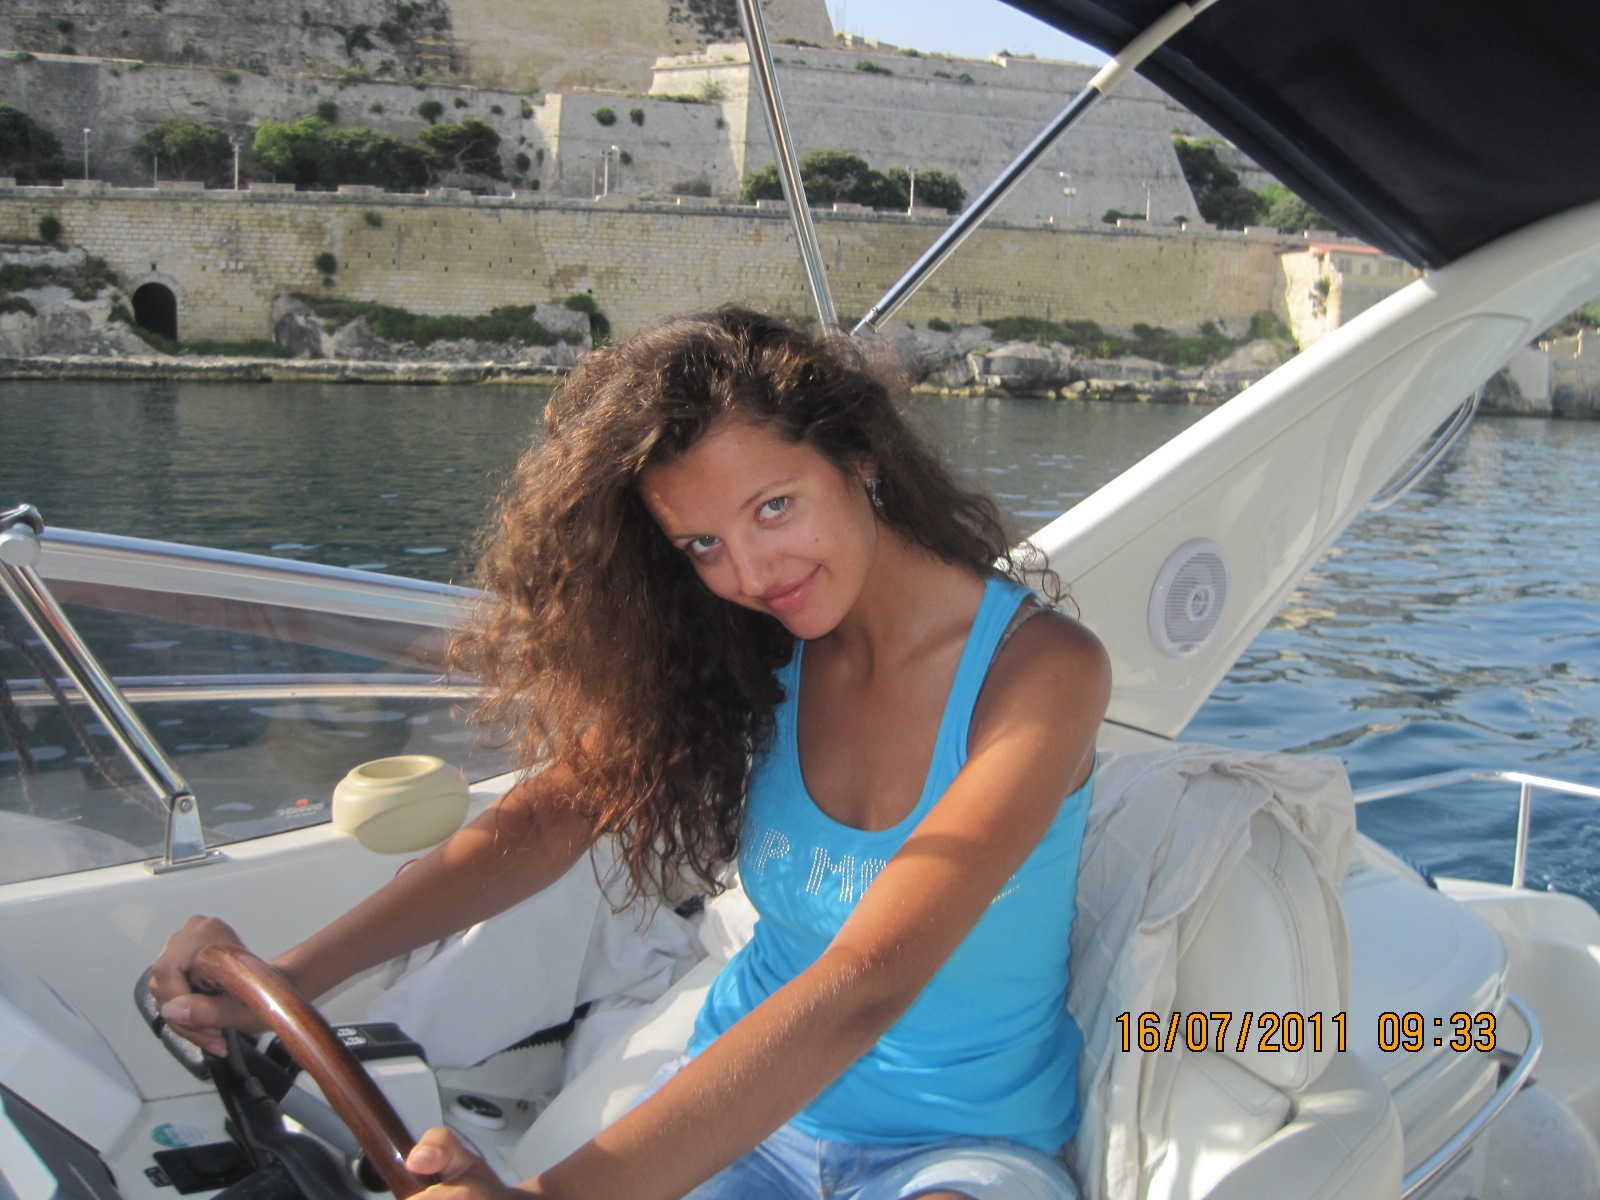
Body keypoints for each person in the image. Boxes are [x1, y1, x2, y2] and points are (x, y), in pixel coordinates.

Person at [151, 306, 1110, 1200]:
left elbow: (867, 985)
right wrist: (294, 976)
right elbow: (548, 820)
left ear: (858, 458)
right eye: (702, 545)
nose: (750, 573)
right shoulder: (763, 645)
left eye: (775, 506)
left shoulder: (1040, 672)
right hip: (739, 1123)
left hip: (953, 1148)